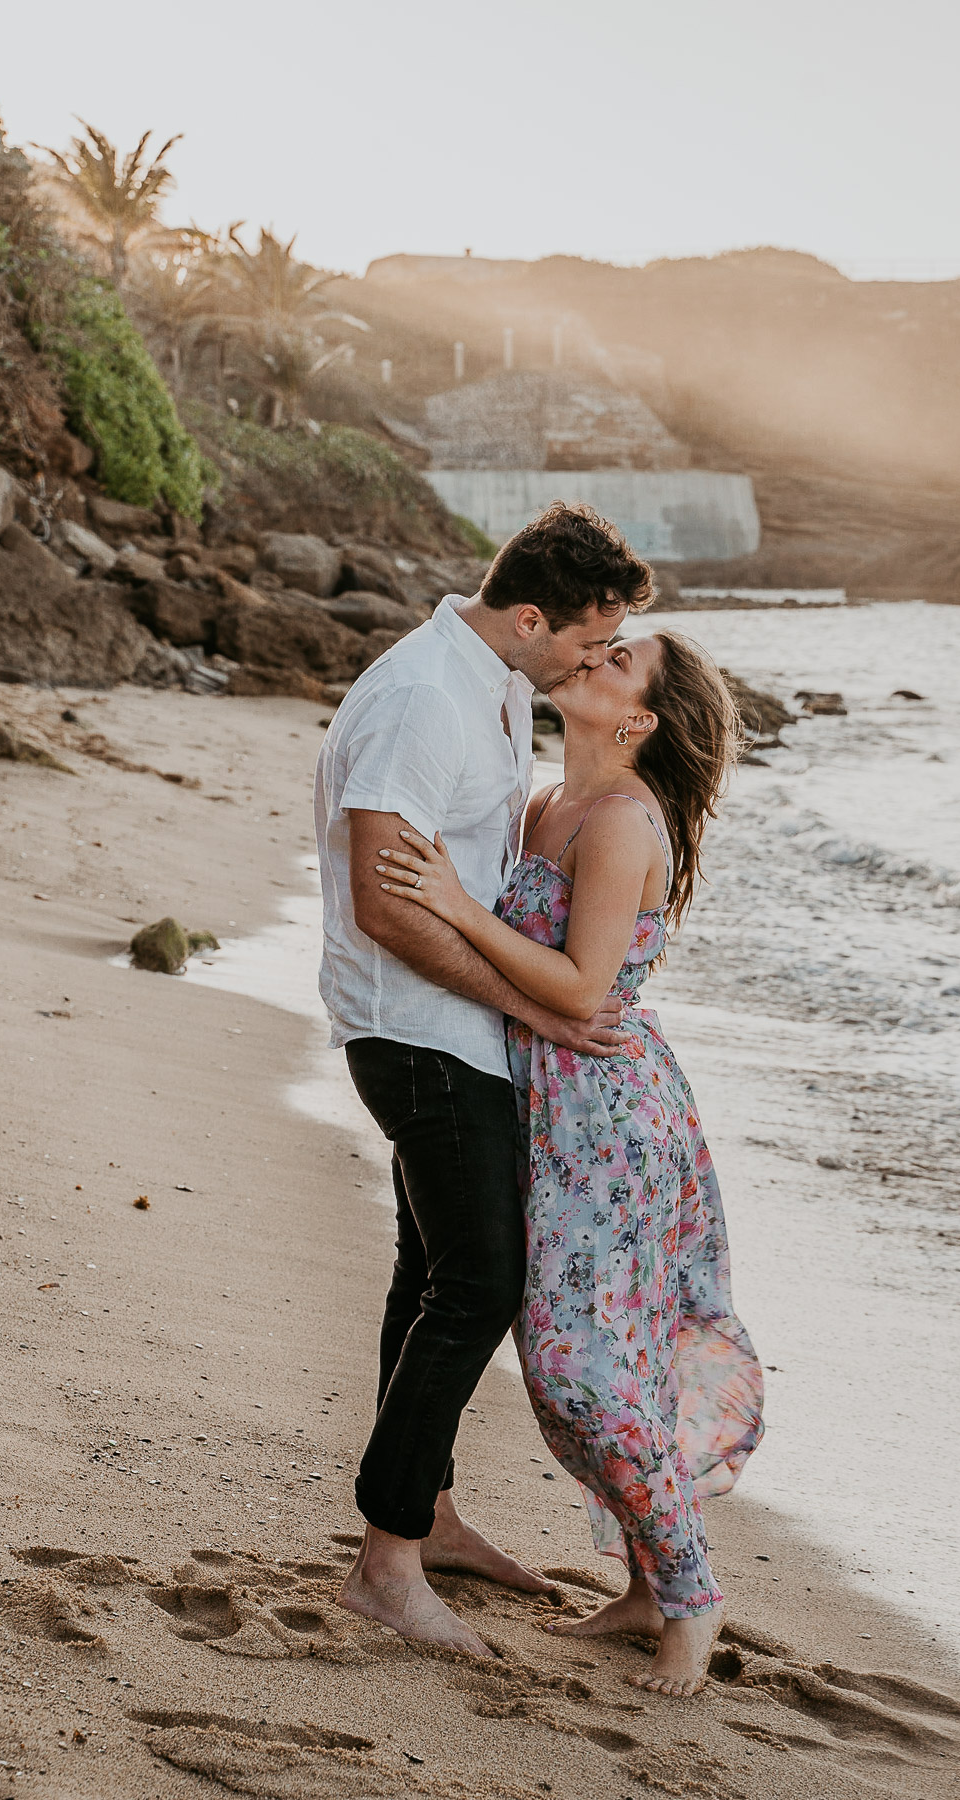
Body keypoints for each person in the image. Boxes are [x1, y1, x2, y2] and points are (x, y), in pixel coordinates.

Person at [372, 627, 765, 1696]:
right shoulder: (550, 802)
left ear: (637, 721)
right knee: (597, 1358)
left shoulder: (627, 820)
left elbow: (586, 992)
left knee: (579, 1368)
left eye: (619, 661)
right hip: (552, 1105)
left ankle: (691, 1597)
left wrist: (452, 903)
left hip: (607, 1114)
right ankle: (643, 1584)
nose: (593, 656)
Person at [314, 503, 655, 1659]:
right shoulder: (424, 700)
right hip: (413, 1030)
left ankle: (432, 1515)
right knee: (481, 1282)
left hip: (462, 1030)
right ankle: (387, 1563)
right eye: (583, 641)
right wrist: (535, 1004)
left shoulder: (500, 683)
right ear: (526, 616)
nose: (588, 662)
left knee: (432, 1276)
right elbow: (381, 900)